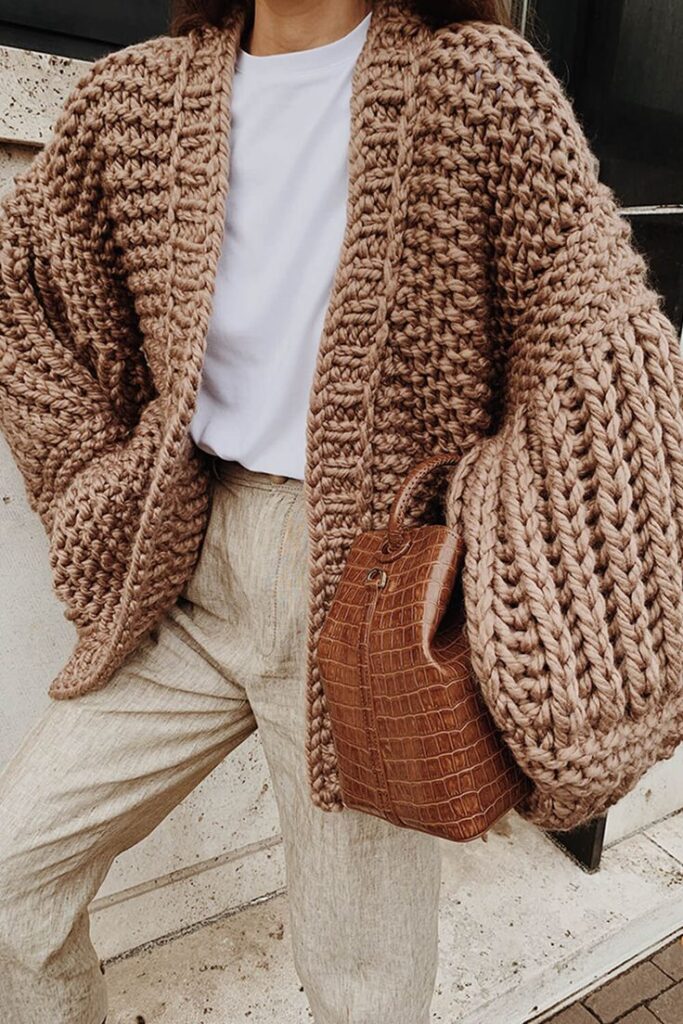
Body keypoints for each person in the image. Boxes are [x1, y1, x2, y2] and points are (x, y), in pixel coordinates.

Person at [1, 1, 682, 1022]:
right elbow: (29, 300)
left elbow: (596, 348)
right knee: (19, 878)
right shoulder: (133, 98)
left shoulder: (477, 86)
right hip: (192, 572)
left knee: (362, 991)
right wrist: (98, 483)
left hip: (368, 604)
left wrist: (501, 553)